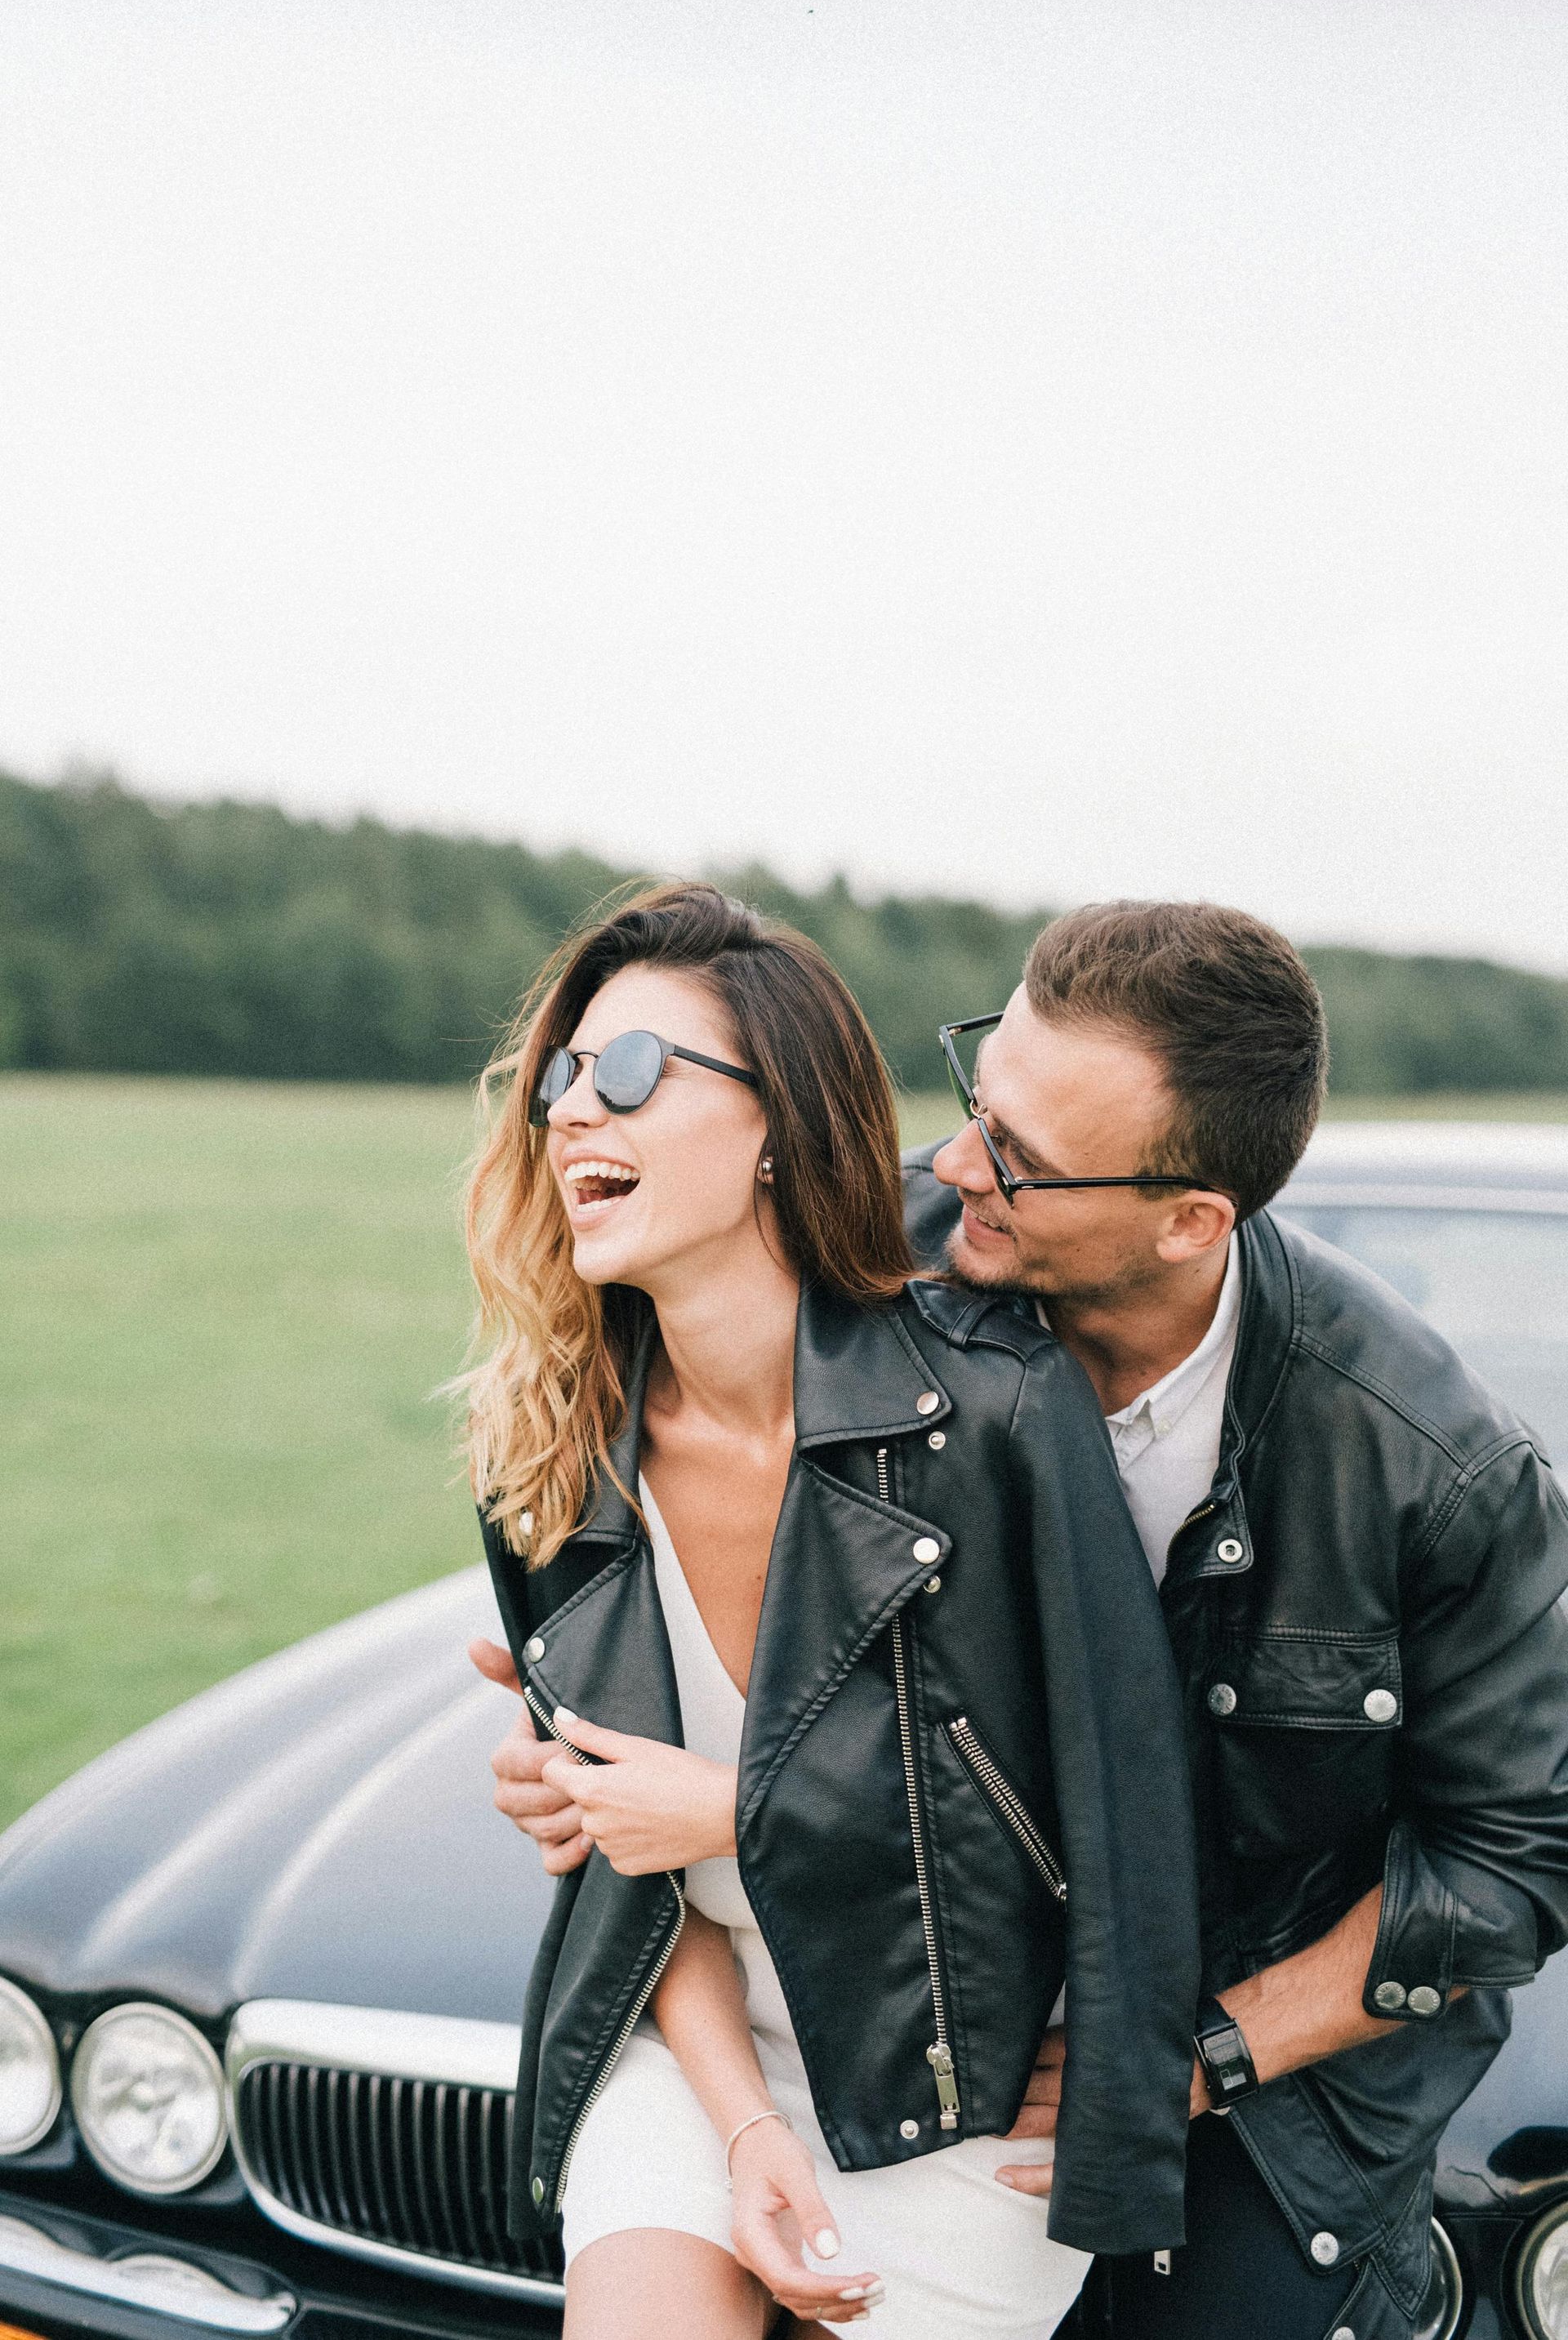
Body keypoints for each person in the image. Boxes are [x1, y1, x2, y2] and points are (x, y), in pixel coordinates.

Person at [488, 894, 1568, 2340]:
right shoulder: (889, 1264)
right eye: (977, 1104)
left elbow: (1512, 1866)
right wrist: (578, 1744)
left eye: (1024, 1161)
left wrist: (1198, 2052)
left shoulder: (1434, 1471)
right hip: (906, 1994)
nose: (954, 1168)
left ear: (1190, 1219)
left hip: (1271, 2065)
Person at [462, 881, 1201, 2340]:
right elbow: (628, 1855)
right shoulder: (550, 1443)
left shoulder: (995, 1405)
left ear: (775, 1128)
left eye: (627, 1074)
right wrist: (744, 2131)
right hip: (703, 2042)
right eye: (561, 1075)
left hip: (965, 2084)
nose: (570, 1114)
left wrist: (740, 1807)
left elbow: (1106, 1814)